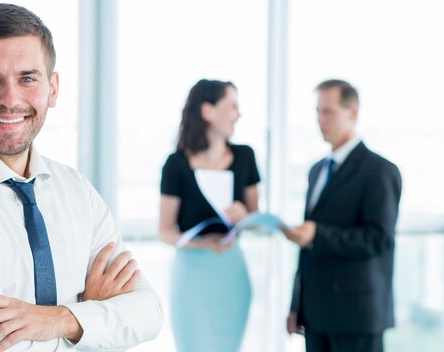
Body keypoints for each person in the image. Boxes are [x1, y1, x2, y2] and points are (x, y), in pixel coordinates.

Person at [0, 4, 163, 351]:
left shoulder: (76, 190)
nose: (10, 99)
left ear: (53, 88)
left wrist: (60, 319)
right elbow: (0, 347)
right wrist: (91, 319)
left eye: (27, 78)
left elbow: (149, 313)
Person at [282, 79, 402, 352]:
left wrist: (317, 234)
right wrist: (296, 306)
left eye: (328, 112)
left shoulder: (380, 170)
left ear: (353, 113)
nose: (320, 120)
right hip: (316, 316)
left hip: (357, 317)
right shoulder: (316, 171)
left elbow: (379, 239)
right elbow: (307, 251)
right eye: (317, 112)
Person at [159, 79, 260, 351]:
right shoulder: (176, 165)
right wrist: (202, 244)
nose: (238, 114)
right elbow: (165, 230)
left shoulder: (245, 157)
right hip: (192, 274)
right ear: (208, 111)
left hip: (232, 271)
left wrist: (246, 216)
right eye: (232, 106)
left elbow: (255, 218)